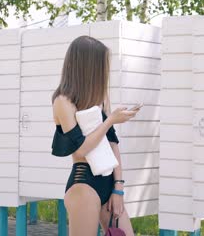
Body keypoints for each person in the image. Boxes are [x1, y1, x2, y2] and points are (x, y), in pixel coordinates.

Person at [50, 35, 138, 236]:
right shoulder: (63, 102)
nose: (104, 72)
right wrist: (109, 121)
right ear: (89, 67)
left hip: (109, 182)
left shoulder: (99, 98)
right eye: (101, 66)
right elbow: (80, 148)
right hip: (84, 184)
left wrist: (118, 188)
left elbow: (113, 144)